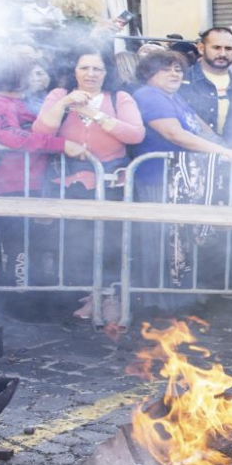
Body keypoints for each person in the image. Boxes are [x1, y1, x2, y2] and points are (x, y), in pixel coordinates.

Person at [132, 51, 232, 306]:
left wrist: (231, 152)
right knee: (162, 241)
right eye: (166, 69)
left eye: (178, 69)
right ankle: (158, 305)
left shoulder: (175, 98)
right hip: (157, 180)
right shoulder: (148, 96)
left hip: (182, 181)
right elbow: (175, 135)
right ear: (148, 73)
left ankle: (180, 301)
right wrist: (224, 152)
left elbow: (203, 131)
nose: (175, 73)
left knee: (181, 242)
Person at [33, 47, 145, 304]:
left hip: (113, 184)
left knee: (113, 243)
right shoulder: (59, 95)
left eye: (97, 68)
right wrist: (65, 103)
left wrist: (95, 115)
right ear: (74, 71)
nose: (91, 74)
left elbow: (135, 134)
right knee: (74, 243)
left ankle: (111, 300)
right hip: (69, 184)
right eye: (85, 68)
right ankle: (84, 298)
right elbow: (41, 132)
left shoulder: (120, 98)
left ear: (107, 73)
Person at [0, 54, 86, 291]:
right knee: (18, 245)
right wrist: (61, 145)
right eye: (31, 73)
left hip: (32, 180)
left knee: (33, 242)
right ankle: (19, 299)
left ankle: (31, 295)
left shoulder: (18, 102)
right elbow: (10, 136)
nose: (36, 78)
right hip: (10, 182)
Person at [177, 28, 232, 137]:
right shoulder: (180, 81)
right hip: (192, 152)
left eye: (228, 48)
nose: (223, 53)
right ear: (201, 48)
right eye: (216, 48)